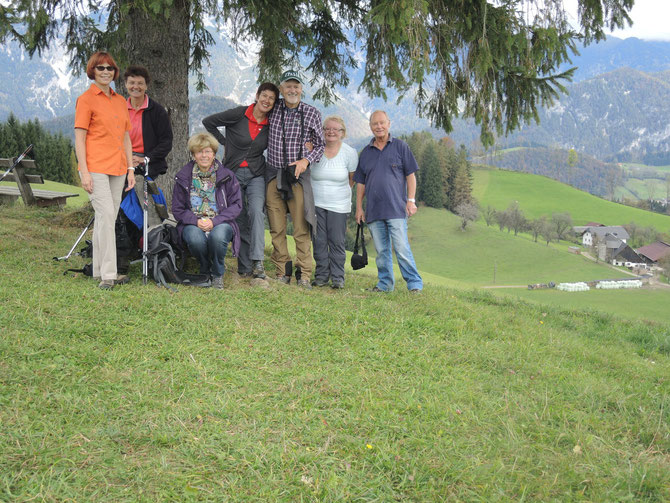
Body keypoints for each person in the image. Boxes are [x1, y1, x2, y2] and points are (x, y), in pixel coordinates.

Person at [202, 82, 279, 280]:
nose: (267, 100)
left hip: (256, 174)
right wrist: (224, 142)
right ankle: (244, 267)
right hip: (233, 173)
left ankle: (258, 263)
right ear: (257, 95)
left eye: (271, 98)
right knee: (240, 216)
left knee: (256, 212)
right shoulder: (239, 114)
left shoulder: (271, 123)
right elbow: (208, 121)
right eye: (264, 95)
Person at [74, 51, 135, 290]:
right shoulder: (86, 99)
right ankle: (110, 275)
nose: (105, 72)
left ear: (114, 72)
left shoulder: (121, 101)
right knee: (107, 215)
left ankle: (99, 268)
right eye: (100, 68)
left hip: (118, 167)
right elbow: (80, 139)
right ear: (92, 71)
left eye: (109, 68)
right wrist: (85, 172)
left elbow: (126, 138)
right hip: (95, 167)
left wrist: (130, 168)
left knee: (104, 218)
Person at [266, 70, 325, 288]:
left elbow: (320, 146)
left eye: (296, 86)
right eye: (288, 86)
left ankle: (304, 274)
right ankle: (283, 271)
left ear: (301, 89)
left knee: (301, 226)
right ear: (281, 89)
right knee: (276, 226)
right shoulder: (272, 109)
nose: (292, 90)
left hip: (298, 177)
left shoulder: (312, 113)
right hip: (273, 174)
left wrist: (305, 160)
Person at [354, 110, 423, 293]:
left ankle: (414, 285)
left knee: (401, 248)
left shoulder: (400, 147)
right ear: (370, 126)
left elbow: (411, 175)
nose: (379, 126)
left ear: (389, 124)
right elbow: (360, 183)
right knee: (382, 251)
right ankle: (385, 285)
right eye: (375, 124)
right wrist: (359, 208)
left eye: (382, 123)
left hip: (396, 209)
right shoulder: (366, 153)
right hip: (374, 211)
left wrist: (411, 200)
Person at [172, 133, 242, 289]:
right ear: (193, 155)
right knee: (194, 238)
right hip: (193, 222)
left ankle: (217, 274)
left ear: (214, 154)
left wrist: (214, 221)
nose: (204, 155)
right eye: (199, 151)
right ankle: (205, 268)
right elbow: (177, 209)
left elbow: (236, 205)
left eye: (208, 151)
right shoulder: (183, 177)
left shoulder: (227, 176)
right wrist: (195, 221)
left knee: (218, 236)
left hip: (221, 222)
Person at [310, 116, 358, 289]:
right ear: (322, 131)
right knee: (319, 241)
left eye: (335, 129)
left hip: (339, 206)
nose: (330, 132)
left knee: (337, 241)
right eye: (327, 129)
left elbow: (352, 179)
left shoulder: (349, 153)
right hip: (316, 204)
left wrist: (339, 194)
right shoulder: (315, 150)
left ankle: (338, 277)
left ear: (342, 133)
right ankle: (321, 275)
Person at [124, 65, 173, 180]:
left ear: (146, 86)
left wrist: (145, 159)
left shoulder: (157, 111)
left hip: (149, 160)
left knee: (139, 188)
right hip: (123, 158)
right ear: (126, 84)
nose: (136, 86)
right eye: (132, 83)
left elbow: (166, 142)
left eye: (140, 83)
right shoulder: (119, 109)